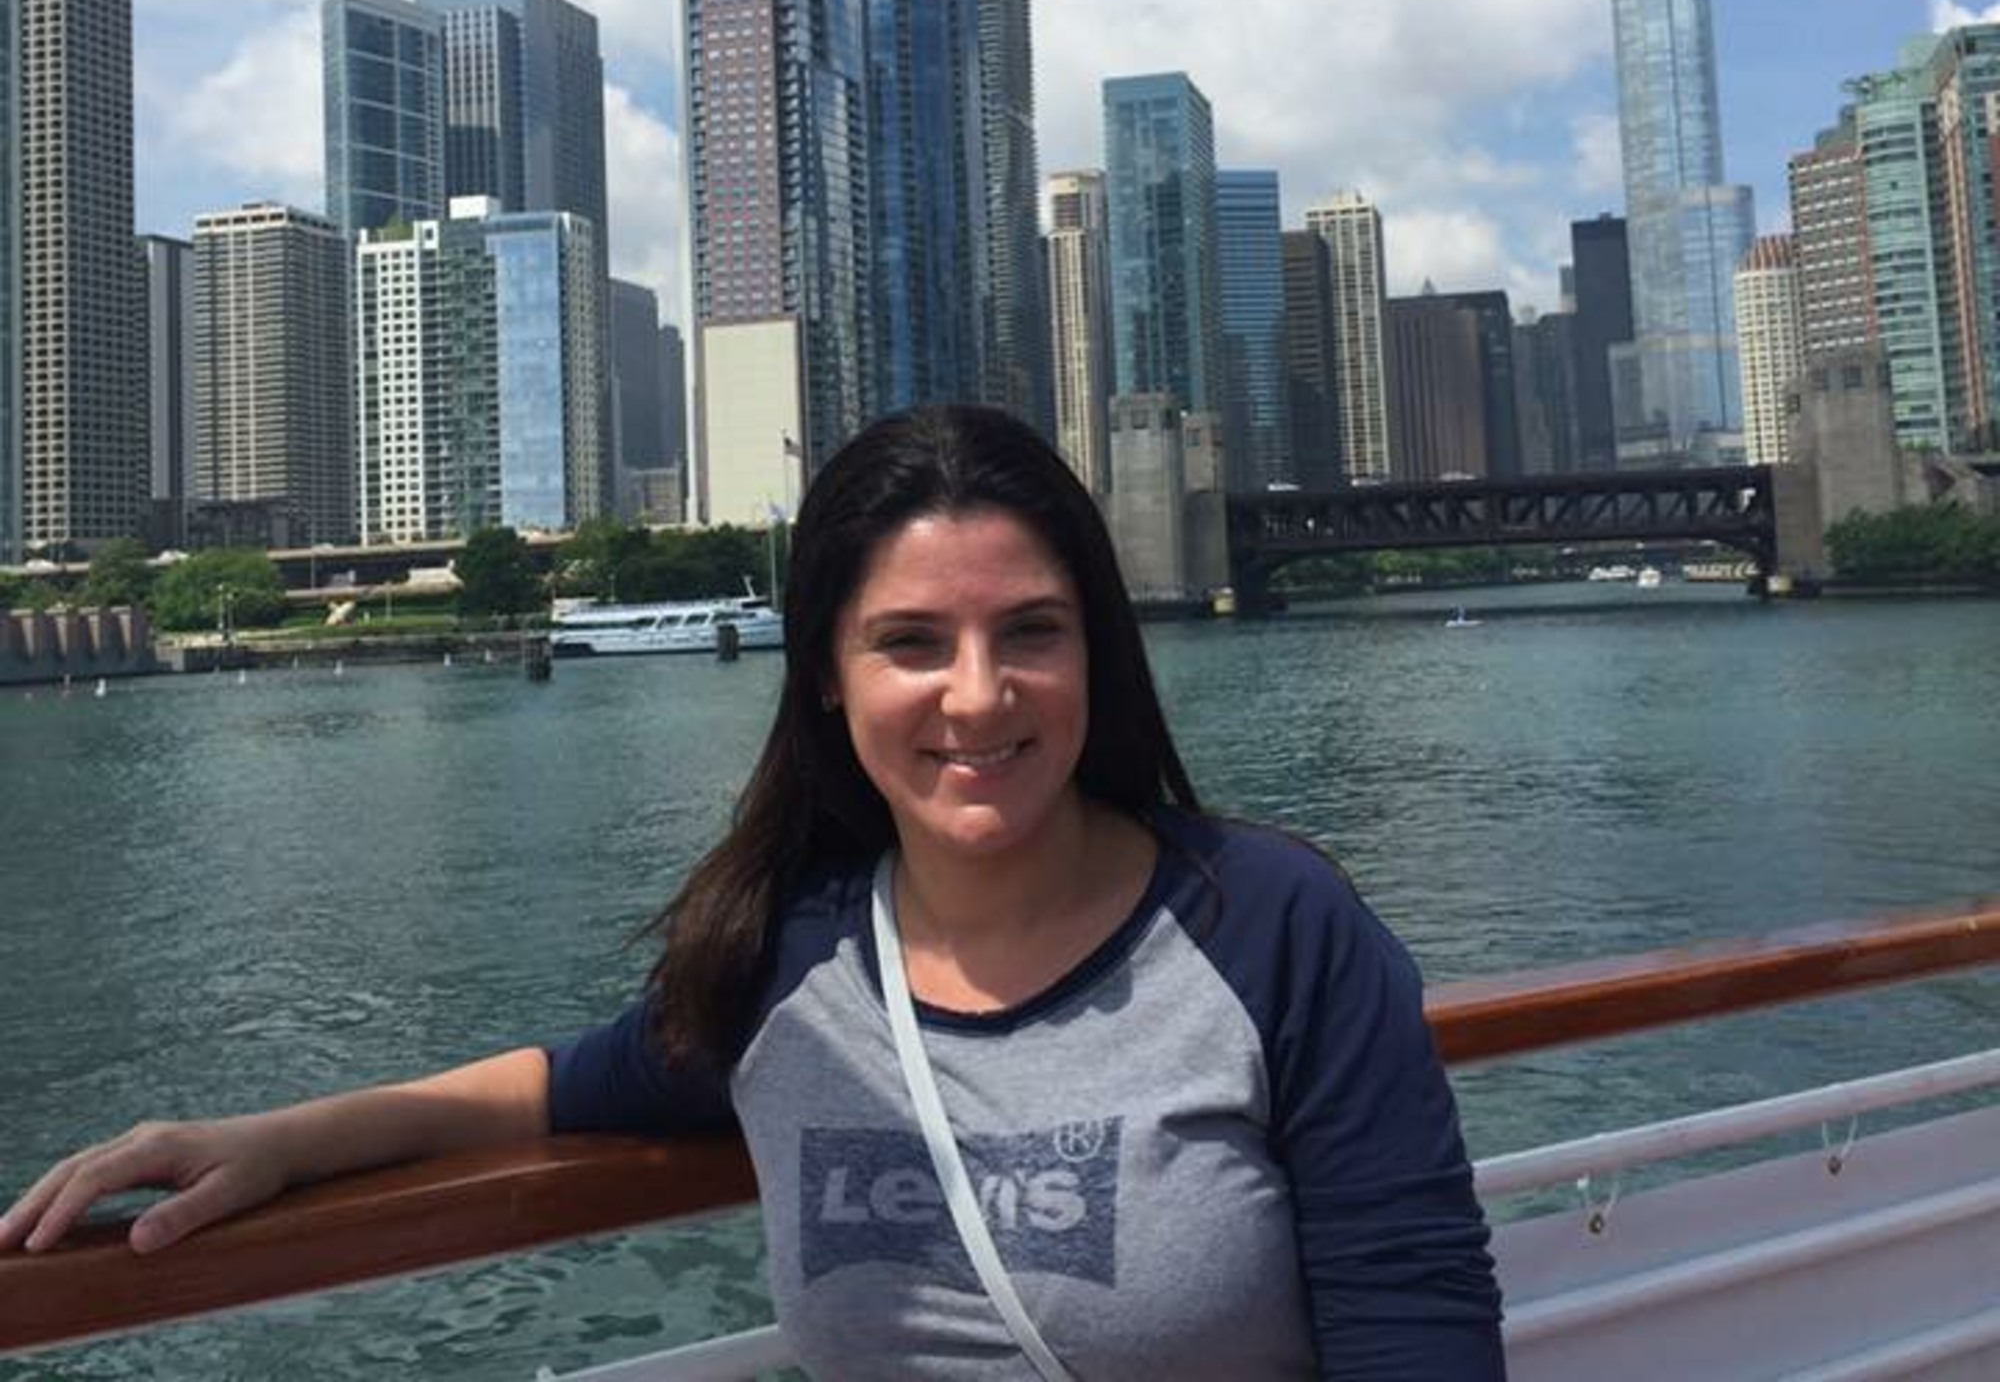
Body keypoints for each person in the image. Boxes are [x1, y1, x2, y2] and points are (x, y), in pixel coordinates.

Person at [3, 405, 1505, 1377]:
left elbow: (1418, 1320)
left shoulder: (1270, 929)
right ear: (830, 678)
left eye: (1031, 632)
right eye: (912, 642)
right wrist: (272, 1142)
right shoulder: (794, 962)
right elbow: (561, 1084)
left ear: (1095, 652)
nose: (978, 695)